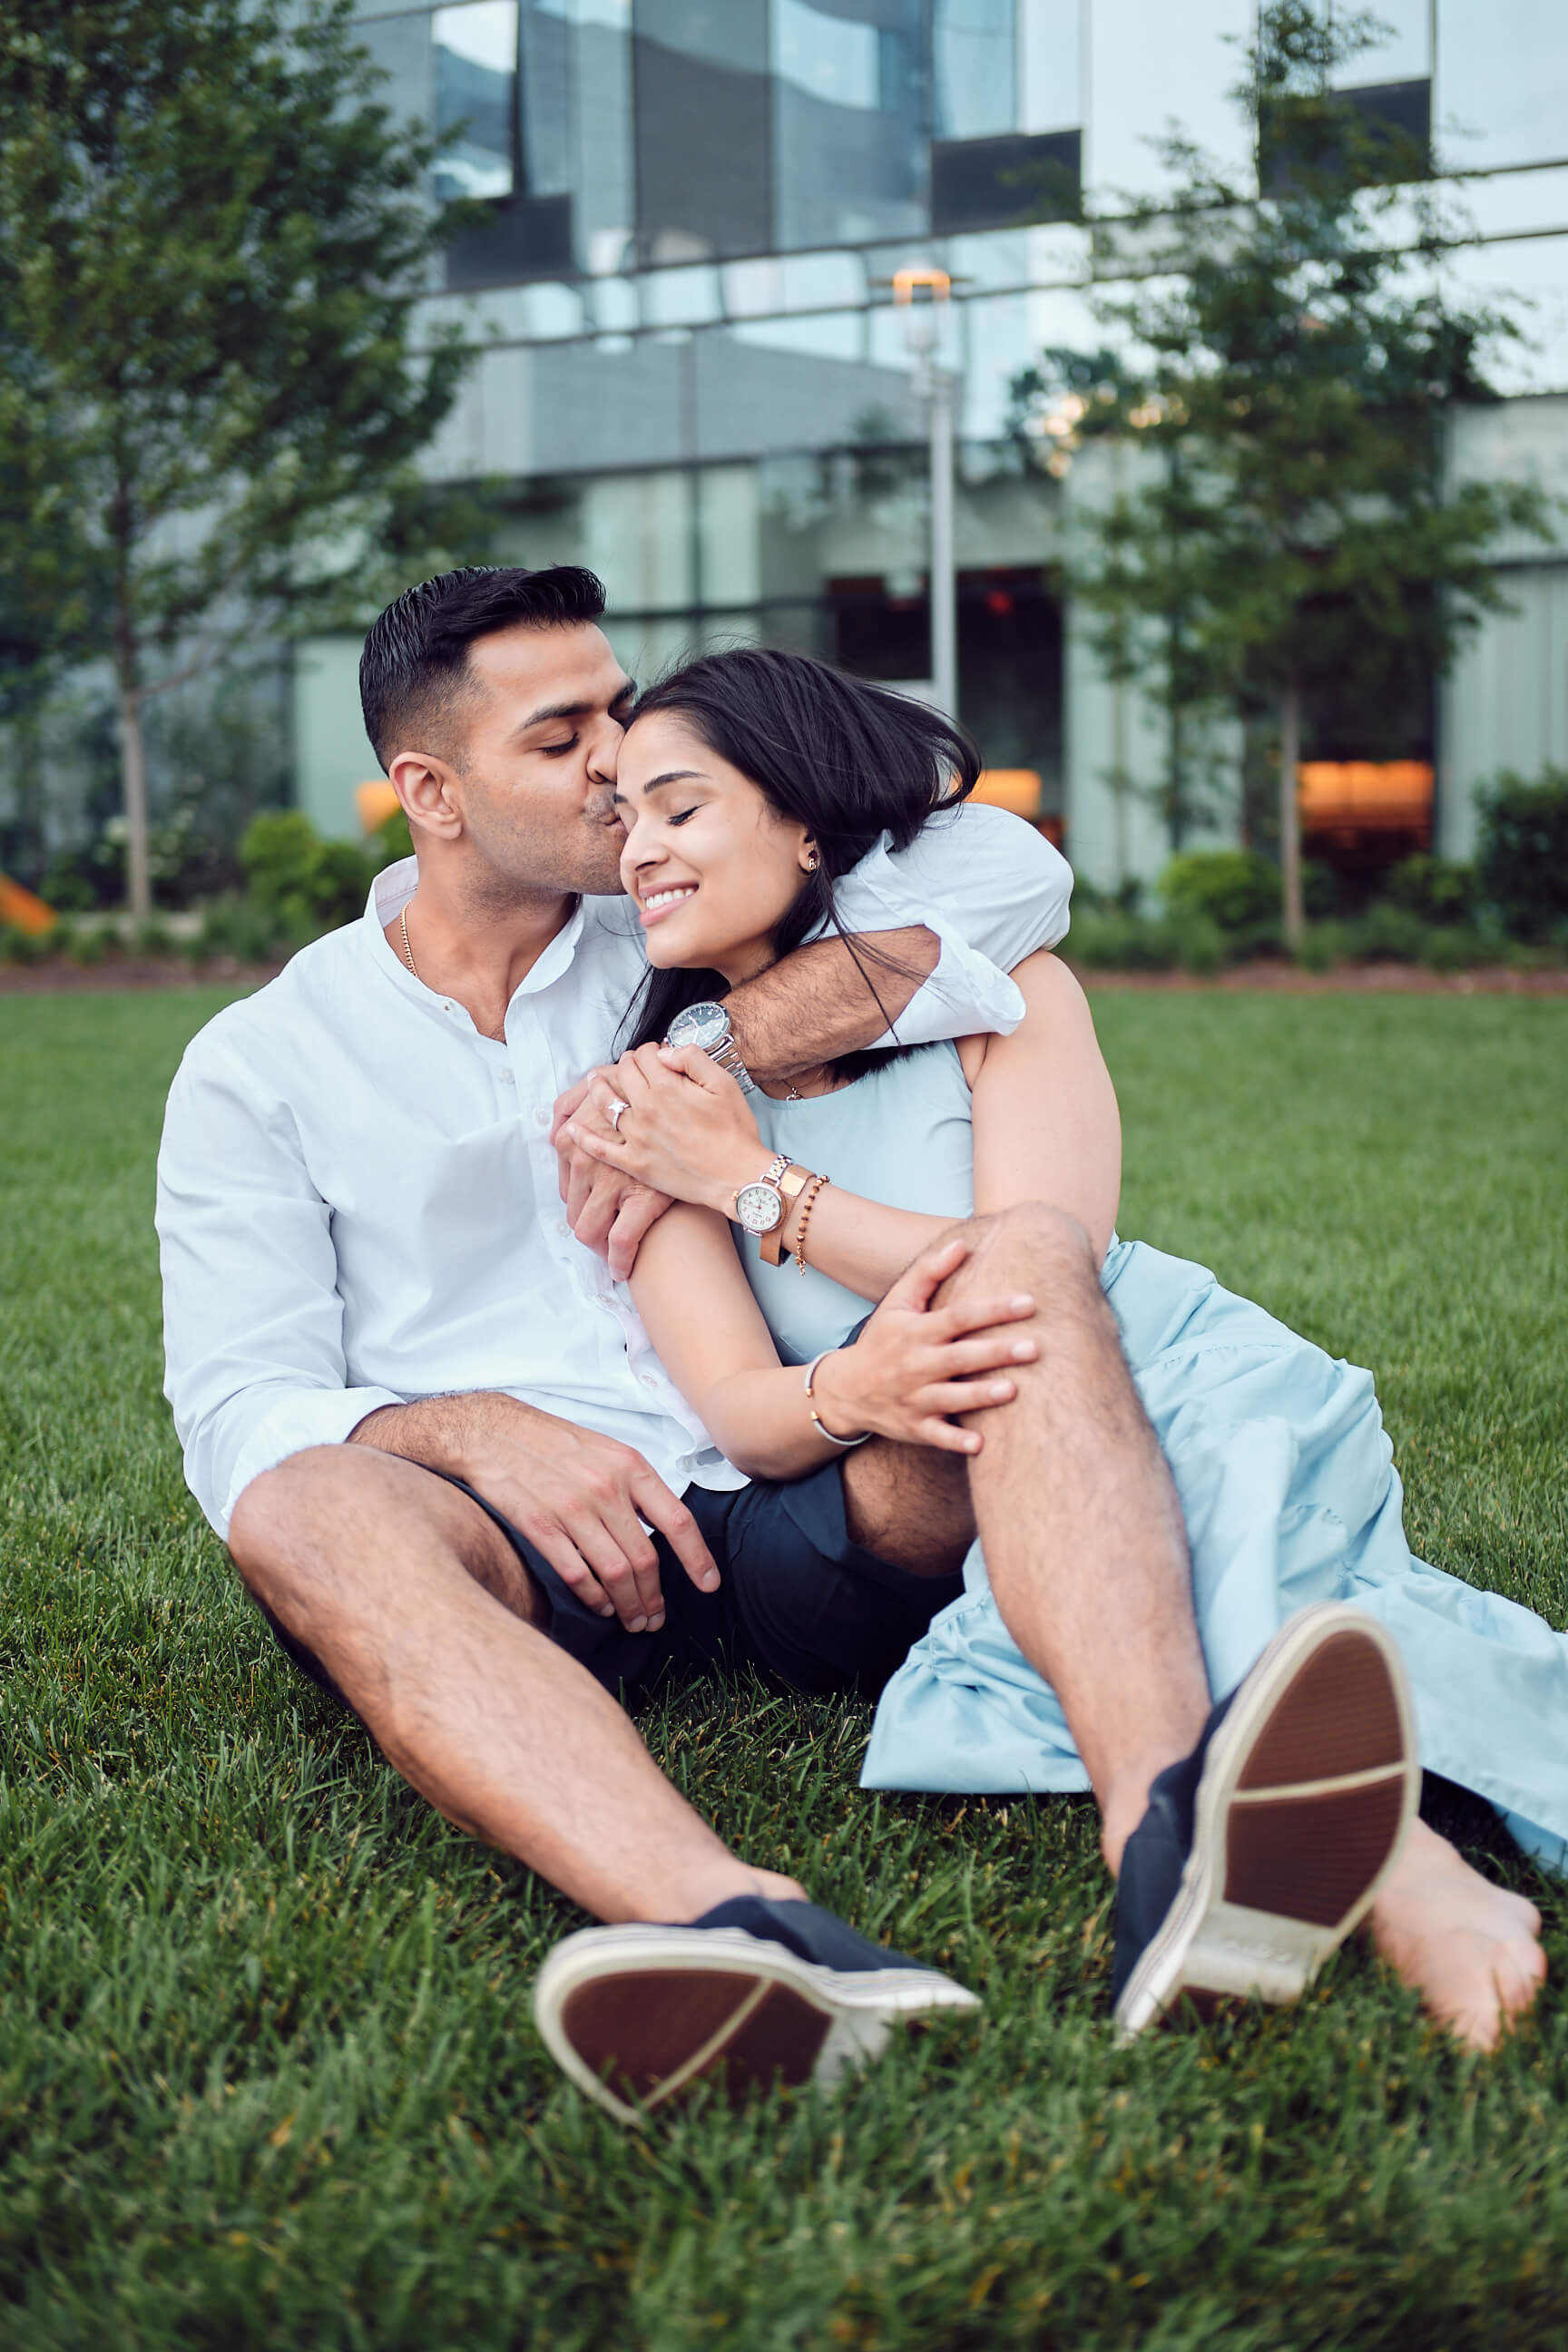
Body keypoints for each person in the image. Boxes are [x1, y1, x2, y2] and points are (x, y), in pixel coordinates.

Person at [158, 562, 1108, 2125]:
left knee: (991, 1333)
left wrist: (701, 1050)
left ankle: (1199, 1730)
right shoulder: (264, 1060)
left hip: (818, 1474)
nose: (618, 762)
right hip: (517, 1554)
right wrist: (461, 1428)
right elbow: (239, 1403)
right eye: (561, 736)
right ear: (430, 791)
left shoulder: (684, 925)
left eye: (618, 708)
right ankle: (734, 1926)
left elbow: (1005, 870)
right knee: (302, 1506)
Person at [559, 643, 1556, 2054]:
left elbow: (1053, 1267)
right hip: (948, 1455)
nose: (639, 849)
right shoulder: (641, 1123)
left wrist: (758, 1188)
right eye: (625, 821)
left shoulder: (1003, 999)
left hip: (1162, 1379)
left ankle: (1395, 1882)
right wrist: (856, 1382)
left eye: (680, 806)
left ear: (804, 822)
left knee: (1052, 1312)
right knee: (1202, 1595)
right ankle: (1348, 1866)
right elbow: (746, 1416)